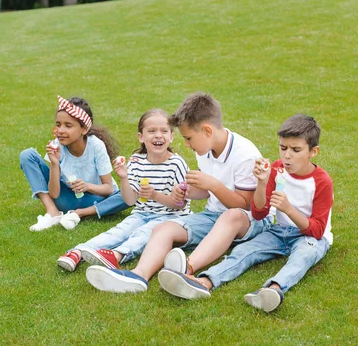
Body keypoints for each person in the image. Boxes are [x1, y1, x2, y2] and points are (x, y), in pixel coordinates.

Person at [85, 92, 271, 293]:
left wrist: (213, 185)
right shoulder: (206, 149)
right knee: (164, 228)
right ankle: (138, 276)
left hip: (248, 220)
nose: (187, 145)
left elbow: (245, 205)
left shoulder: (244, 154)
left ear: (207, 130)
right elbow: (206, 193)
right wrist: (187, 192)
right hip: (213, 216)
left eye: (189, 138)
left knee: (231, 215)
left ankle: (186, 268)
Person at [158, 114, 333, 313]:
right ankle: (204, 281)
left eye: (296, 150)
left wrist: (288, 209)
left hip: (310, 237)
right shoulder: (276, 169)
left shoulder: (322, 182)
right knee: (243, 251)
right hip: (280, 231)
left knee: (303, 257)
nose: (287, 156)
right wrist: (261, 183)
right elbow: (259, 213)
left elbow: (317, 230)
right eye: (283, 148)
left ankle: (273, 290)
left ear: (313, 151)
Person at [57, 109, 191, 272]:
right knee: (117, 232)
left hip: (170, 217)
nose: (158, 135)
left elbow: (179, 205)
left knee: (143, 234)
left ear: (171, 136)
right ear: (140, 137)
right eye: (151, 131)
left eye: (164, 131)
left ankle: (116, 255)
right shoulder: (136, 161)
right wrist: (124, 178)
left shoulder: (176, 164)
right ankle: (76, 252)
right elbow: (129, 200)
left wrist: (155, 195)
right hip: (141, 213)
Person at [19, 95, 128, 231]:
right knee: (27, 155)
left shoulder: (96, 146)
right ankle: (52, 212)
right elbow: (54, 194)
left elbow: (109, 189)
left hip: (96, 200)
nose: (61, 130)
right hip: (68, 198)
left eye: (68, 125)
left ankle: (79, 214)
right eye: (58, 125)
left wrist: (87, 186)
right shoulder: (56, 146)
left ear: (84, 129)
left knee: (130, 193)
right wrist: (54, 163)